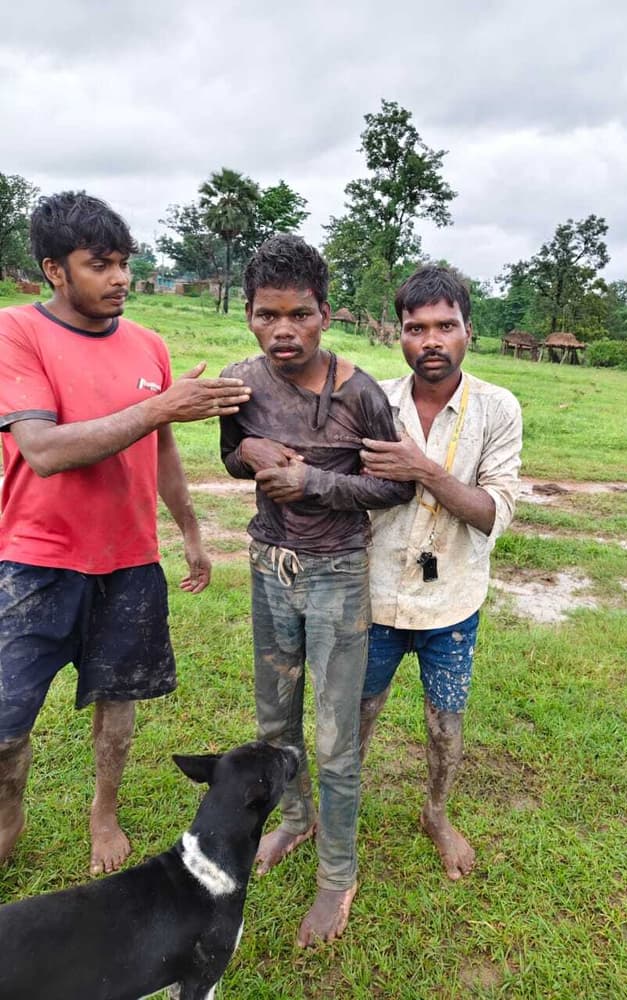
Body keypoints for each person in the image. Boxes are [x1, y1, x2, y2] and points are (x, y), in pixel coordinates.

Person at [0, 191, 250, 876]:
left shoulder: (148, 345)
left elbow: (160, 450)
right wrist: (159, 407)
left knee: (119, 700)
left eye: (124, 263)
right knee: (6, 719)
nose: (119, 279)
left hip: (130, 560)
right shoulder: (16, 332)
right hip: (34, 561)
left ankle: (103, 811)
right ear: (54, 270)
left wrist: (190, 531)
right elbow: (42, 450)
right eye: (99, 265)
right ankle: (9, 811)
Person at [219, 234, 414, 946]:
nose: (284, 330)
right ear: (248, 314)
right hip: (269, 567)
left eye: (299, 314)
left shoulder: (361, 393)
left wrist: (314, 481)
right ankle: (297, 820)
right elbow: (230, 457)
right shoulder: (241, 384)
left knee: (335, 740)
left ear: (325, 315)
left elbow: (395, 487)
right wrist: (248, 450)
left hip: (337, 576)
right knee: (274, 723)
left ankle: (338, 875)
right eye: (267, 315)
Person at [358, 265, 522, 880]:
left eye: (445, 326)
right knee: (356, 715)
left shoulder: (497, 409)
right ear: (398, 334)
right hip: (372, 595)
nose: (431, 340)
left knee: (445, 723)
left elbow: (492, 512)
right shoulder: (373, 401)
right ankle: (337, 808)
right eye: (416, 327)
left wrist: (421, 468)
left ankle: (436, 811)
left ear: (468, 330)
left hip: (452, 600)